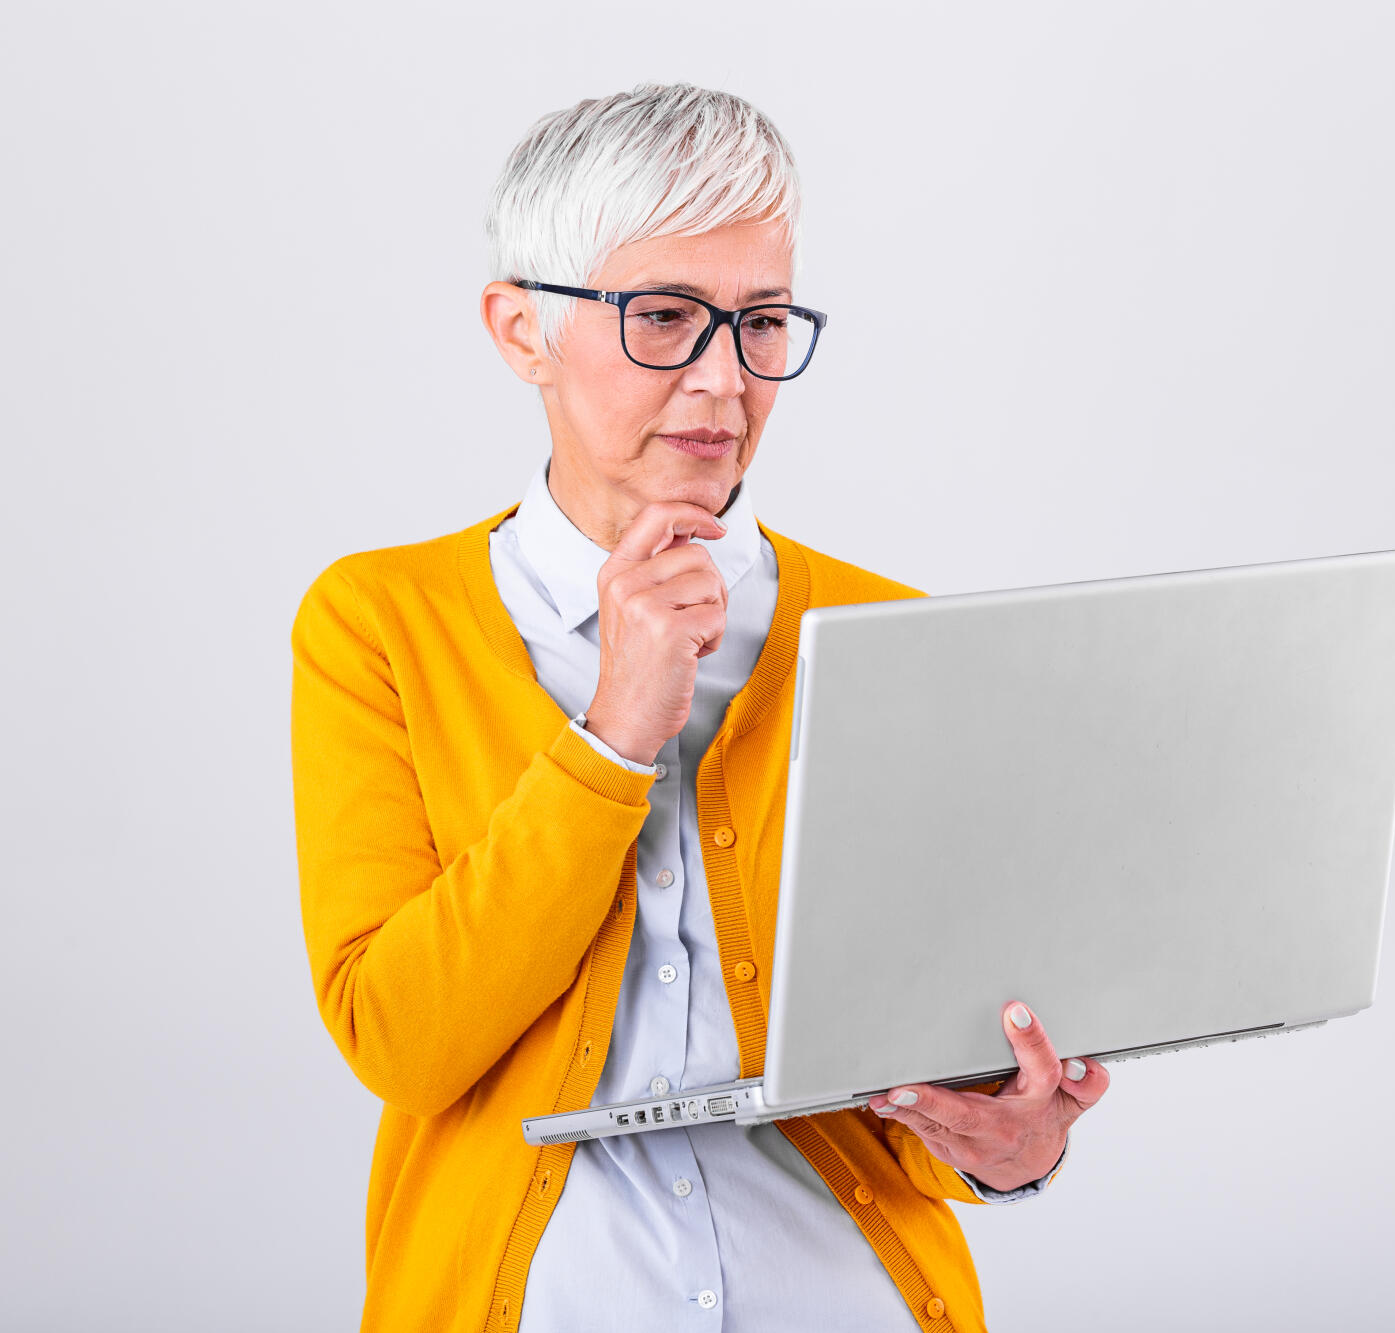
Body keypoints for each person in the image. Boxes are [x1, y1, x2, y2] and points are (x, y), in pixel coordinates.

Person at [290, 81, 1112, 1333]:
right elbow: (401, 1044)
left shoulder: (887, 631)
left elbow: (937, 1078)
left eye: (762, 321)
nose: (726, 380)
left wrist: (1008, 1147)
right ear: (522, 333)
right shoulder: (379, 622)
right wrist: (613, 733)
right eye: (664, 317)